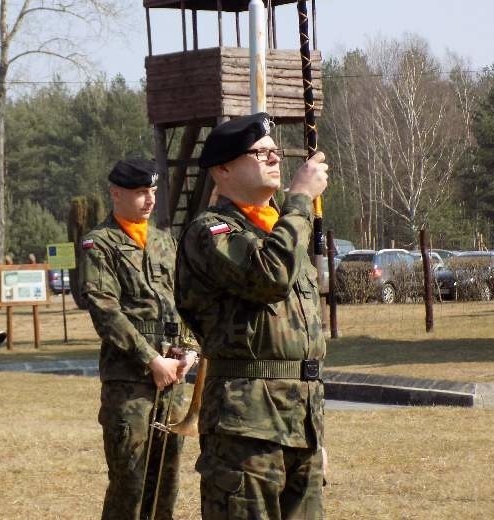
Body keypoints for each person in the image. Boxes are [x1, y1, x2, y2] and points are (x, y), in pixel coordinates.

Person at [174, 112, 329, 519]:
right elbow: (269, 277)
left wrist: (313, 435)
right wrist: (298, 199)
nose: (274, 159)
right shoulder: (212, 232)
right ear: (223, 169)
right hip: (245, 426)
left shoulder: (280, 231)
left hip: (301, 423)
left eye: (275, 151)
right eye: (260, 153)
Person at [79, 158, 196, 520]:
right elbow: (106, 312)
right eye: (141, 192)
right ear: (116, 194)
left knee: (166, 482)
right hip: (130, 384)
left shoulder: (164, 242)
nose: (149, 200)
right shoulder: (99, 245)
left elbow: (186, 300)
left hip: (173, 379)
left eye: (153, 192)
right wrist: (151, 359)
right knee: (131, 483)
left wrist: (190, 349)